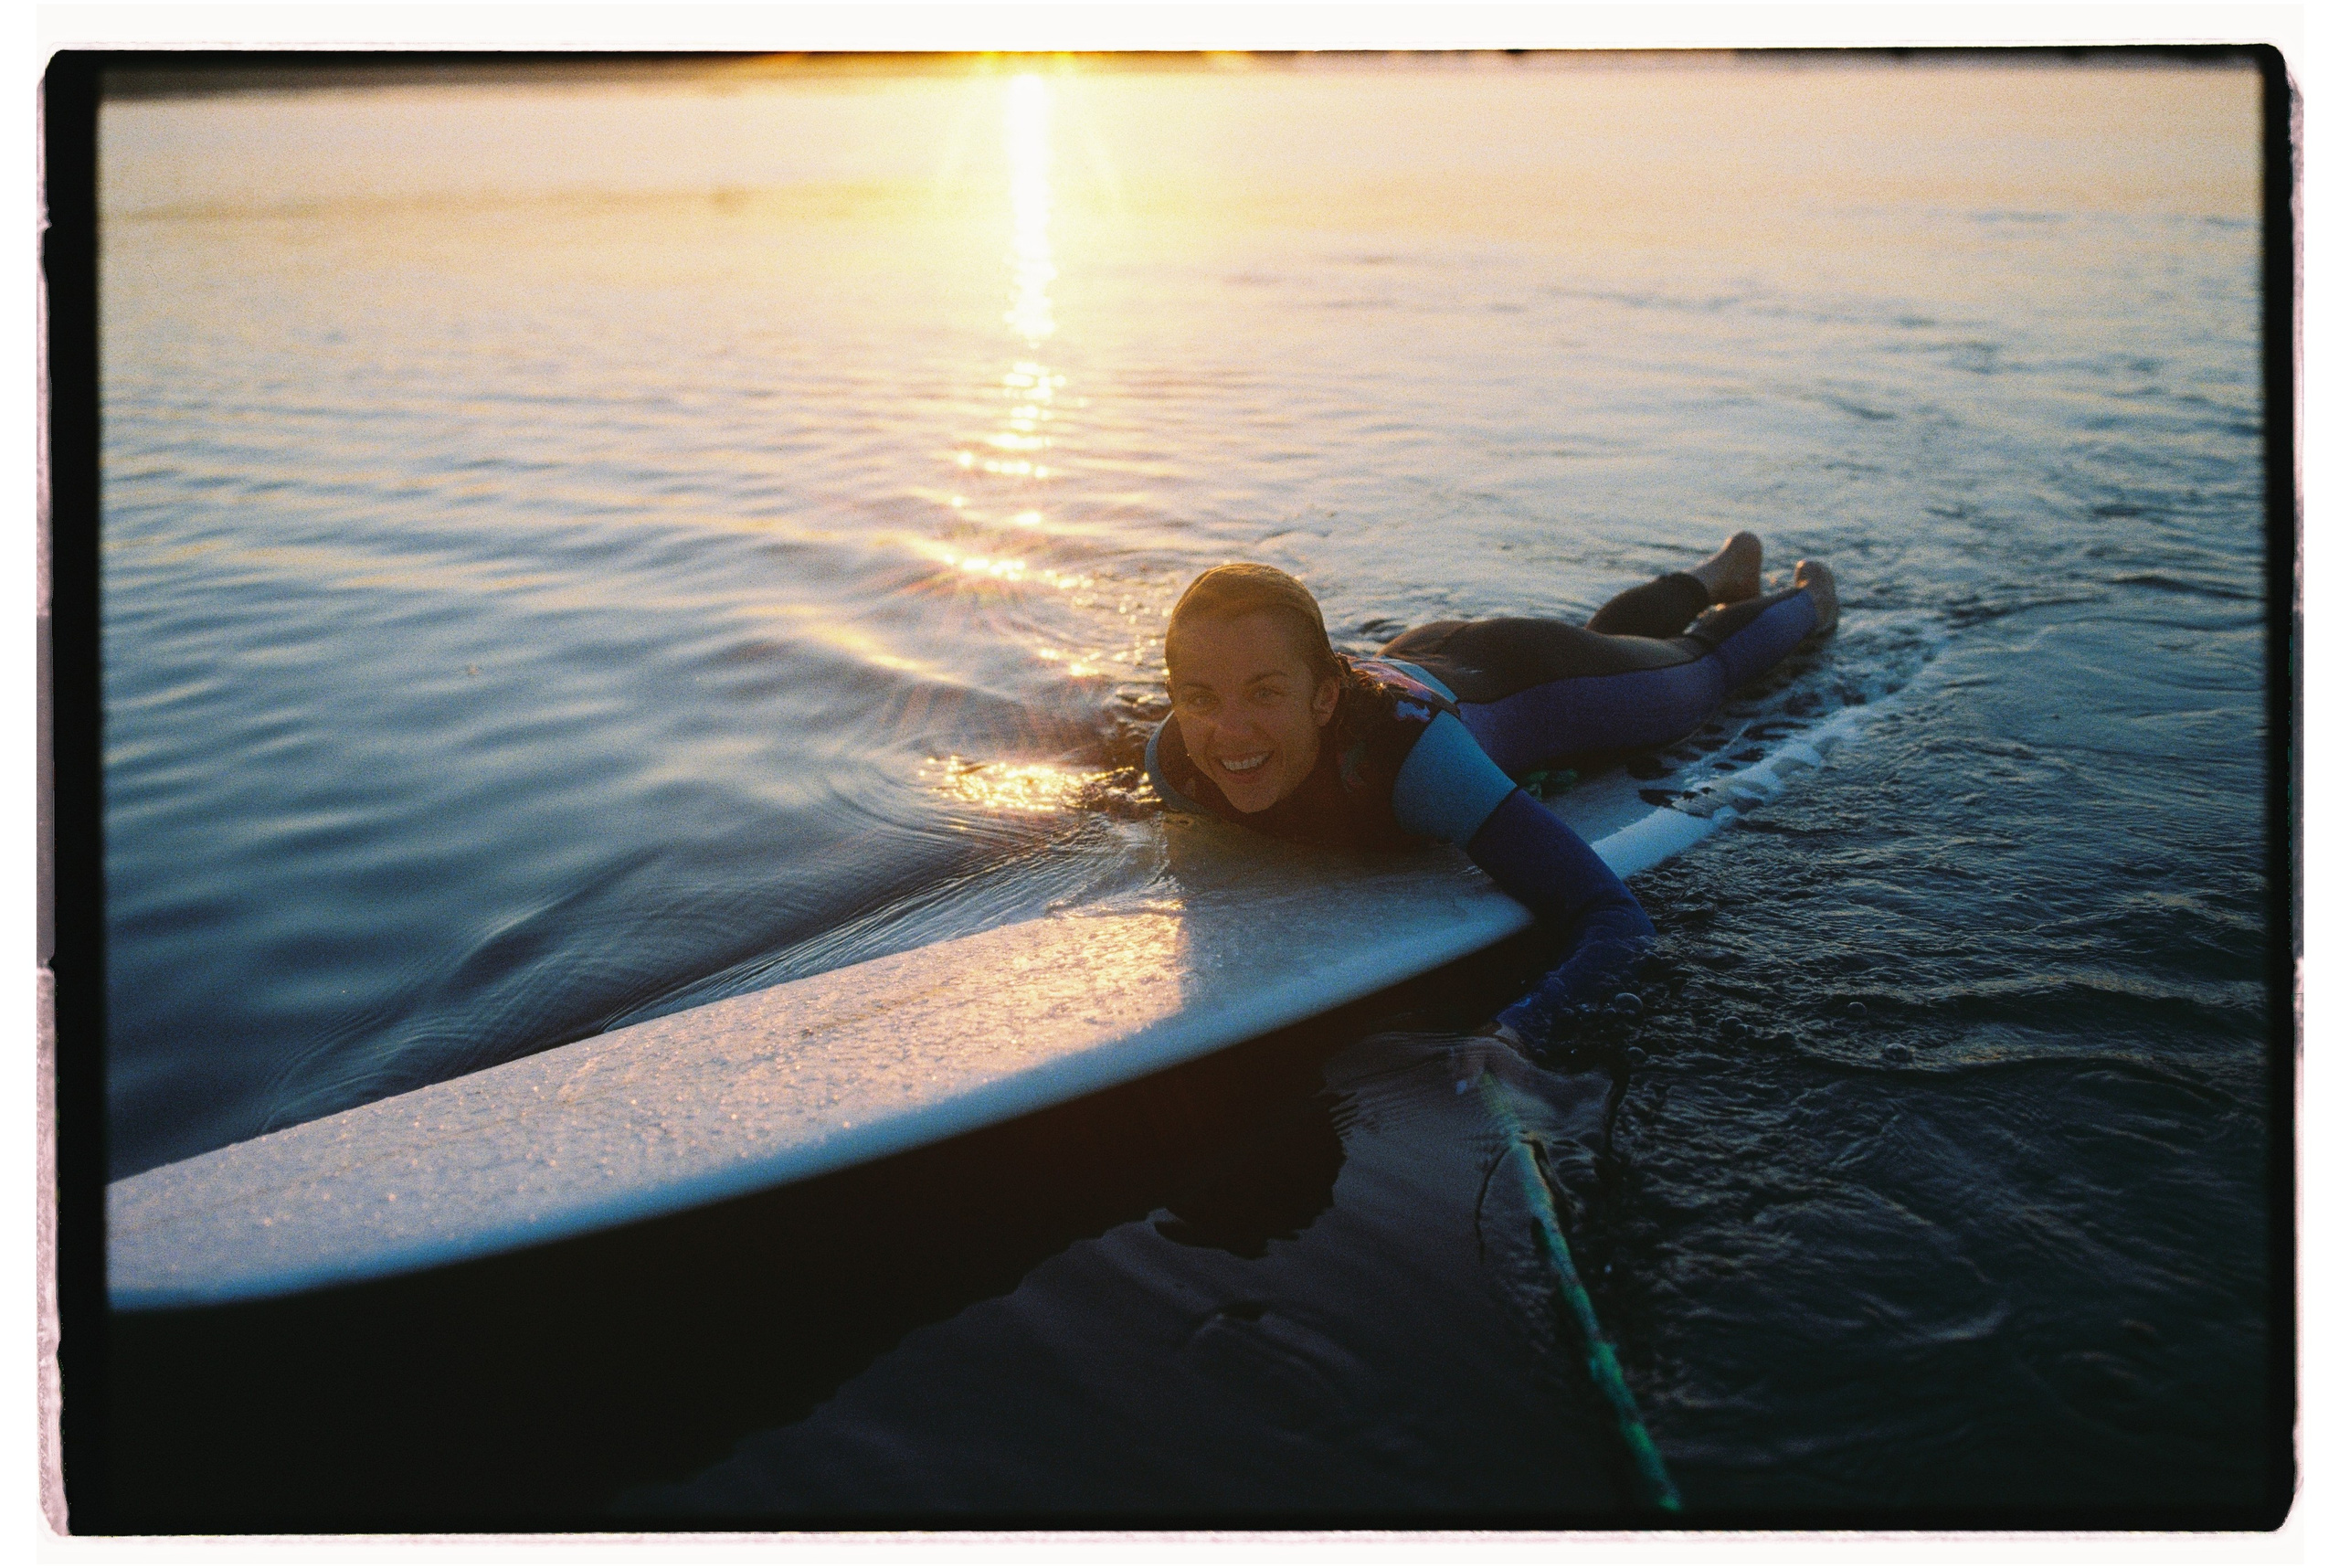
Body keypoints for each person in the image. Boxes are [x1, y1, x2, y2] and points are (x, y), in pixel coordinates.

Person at [1144, 533, 1838, 1058]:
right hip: (1426, 653)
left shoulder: (1417, 764)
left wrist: (1515, 1035)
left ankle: (1811, 598)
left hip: (1537, 678)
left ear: (1324, 696)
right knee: (1608, 638)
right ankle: (1719, 572)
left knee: (1697, 673)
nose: (1227, 732)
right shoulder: (1176, 760)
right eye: (1199, 697)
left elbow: (1614, 918)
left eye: (1265, 691)